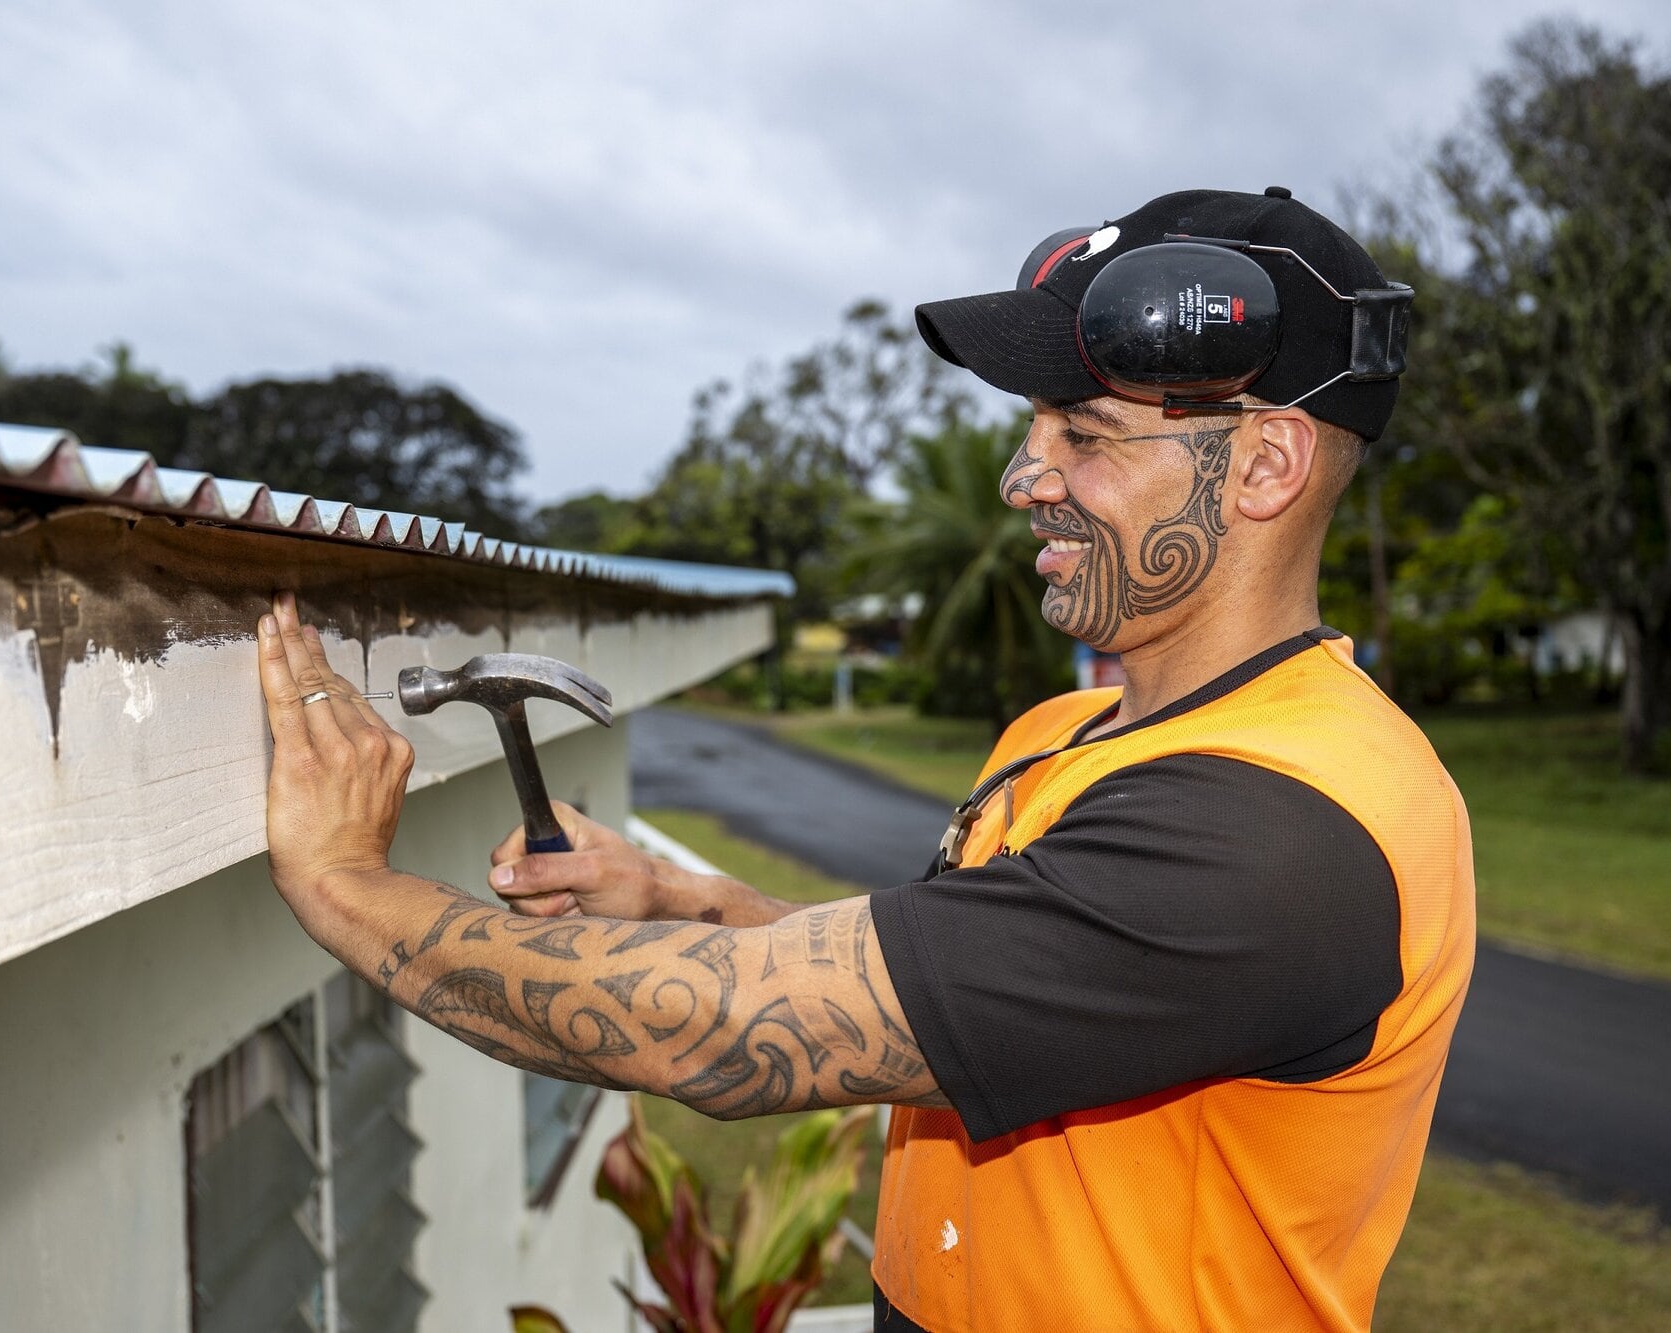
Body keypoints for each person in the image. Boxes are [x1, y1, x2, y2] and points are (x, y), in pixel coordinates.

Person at [252, 187, 1475, 1333]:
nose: (1021, 480)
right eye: (1032, 429)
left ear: (1264, 465)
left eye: (1085, 435)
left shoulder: (1284, 828)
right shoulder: (1062, 735)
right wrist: (689, 901)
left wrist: (350, 888)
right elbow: (955, 1001)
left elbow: (720, 1037)